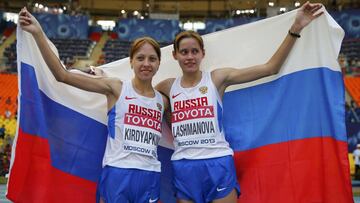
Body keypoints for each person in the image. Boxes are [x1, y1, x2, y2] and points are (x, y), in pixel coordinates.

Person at [156, 2, 323, 203]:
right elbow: (142, 100)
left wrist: (296, 28)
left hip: (218, 162)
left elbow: (270, 68)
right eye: (184, 52)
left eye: (194, 51)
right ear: (175, 55)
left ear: (203, 54)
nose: (190, 57)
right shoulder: (166, 86)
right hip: (184, 166)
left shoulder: (217, 78)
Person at [19, 7, 168, 203]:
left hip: (150, 175)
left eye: (152, 59)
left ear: (159, 63)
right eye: (140, 58)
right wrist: (38, 32)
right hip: (118, 173)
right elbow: (62, 75)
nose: (146, 63)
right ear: (131, 62)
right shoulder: (116, 87)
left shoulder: (163, 100)